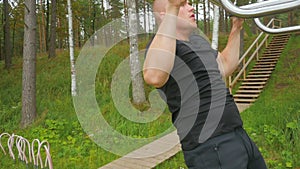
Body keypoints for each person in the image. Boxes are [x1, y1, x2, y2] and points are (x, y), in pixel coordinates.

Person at [143, 0, 267, 168]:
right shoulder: (161, 47)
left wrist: (236, 28)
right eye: (184, 4)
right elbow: (154, 76)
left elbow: (225, 65)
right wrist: (173, 6)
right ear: (164, 15)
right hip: (210, 146)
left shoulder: (198, 42)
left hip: (237, 134)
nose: (191, 7)